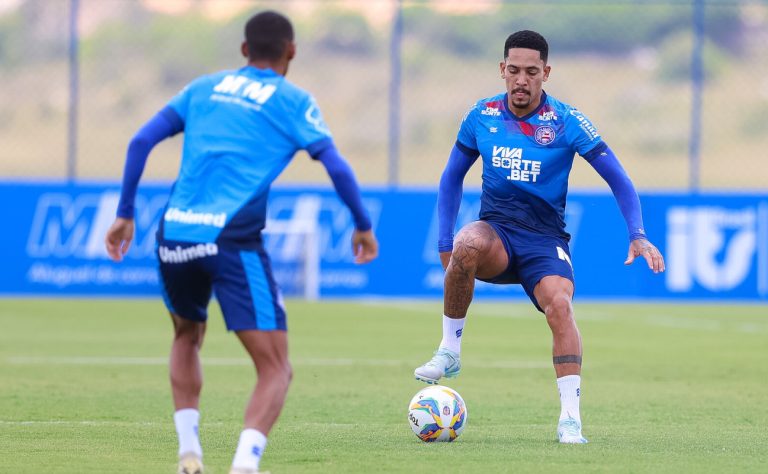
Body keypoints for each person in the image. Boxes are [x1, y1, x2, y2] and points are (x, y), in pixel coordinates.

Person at [105, 11, 378, 474]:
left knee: (186, 335)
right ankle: (244, 466)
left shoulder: (203, 88)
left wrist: (125, 213)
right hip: (231, 240)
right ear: (291, 51)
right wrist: (363, 224)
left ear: (244, 51)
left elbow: (139, 141)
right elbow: (335, 166)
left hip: (175, 233)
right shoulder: (292, 100)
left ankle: (188, 453)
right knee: (276, 368)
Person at [413, 30, 665, 444]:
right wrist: (445, 241)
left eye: (531, 72)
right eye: (513, 70)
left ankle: (570, 420)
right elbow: (451, 178)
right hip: (497, 234)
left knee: (561, 308)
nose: (521, 80)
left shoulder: (567, 121)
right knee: (467, 242)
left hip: (545, 240)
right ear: (502, 70)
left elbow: (618, 179)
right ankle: (449, 351)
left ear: (545, 73)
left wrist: (637, 233)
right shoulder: (482, 115)